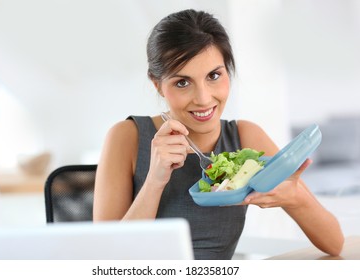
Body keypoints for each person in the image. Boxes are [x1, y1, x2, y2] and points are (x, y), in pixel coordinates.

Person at [93, 9, 343, 260]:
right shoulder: (128, 137)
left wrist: (296, 198)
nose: (203, 99)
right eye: (182, 82)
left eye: (214, 76)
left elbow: (335, 243)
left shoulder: (245, 136)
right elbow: (104, 261)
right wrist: (155, 180)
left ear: (228, 71)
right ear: (157, 84)